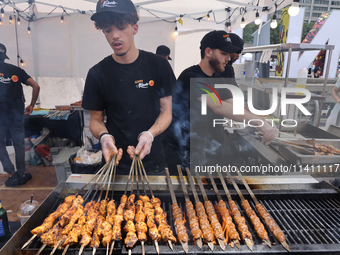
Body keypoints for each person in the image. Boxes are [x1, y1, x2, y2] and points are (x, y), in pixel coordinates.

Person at [82, 0, 175, 175]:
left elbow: (166, 112)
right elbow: (95, 120)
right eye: (108, 30)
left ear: (135, 28)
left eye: (121, 27)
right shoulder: (97, 73)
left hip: (153, 160)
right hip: (115, 162)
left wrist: (149, 135)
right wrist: (104, 136)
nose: (115, 35)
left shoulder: (158, 65)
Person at [172, 30, 276, 167]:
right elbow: (219, 106)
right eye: (223, 54)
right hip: (183, 147)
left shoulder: (217, 77)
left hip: (203, 145)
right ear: (208, 52)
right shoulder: (191, 76)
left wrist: (263, 120)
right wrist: (258, 122)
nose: (228, 58)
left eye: (228, 54)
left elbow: (232, 103)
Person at [0, 43, 40, 186]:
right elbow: (36, 86)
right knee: (18, 143)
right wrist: (31, 105)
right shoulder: (15, 70)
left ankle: (11, 173)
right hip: (16, 114)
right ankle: (22, 173)